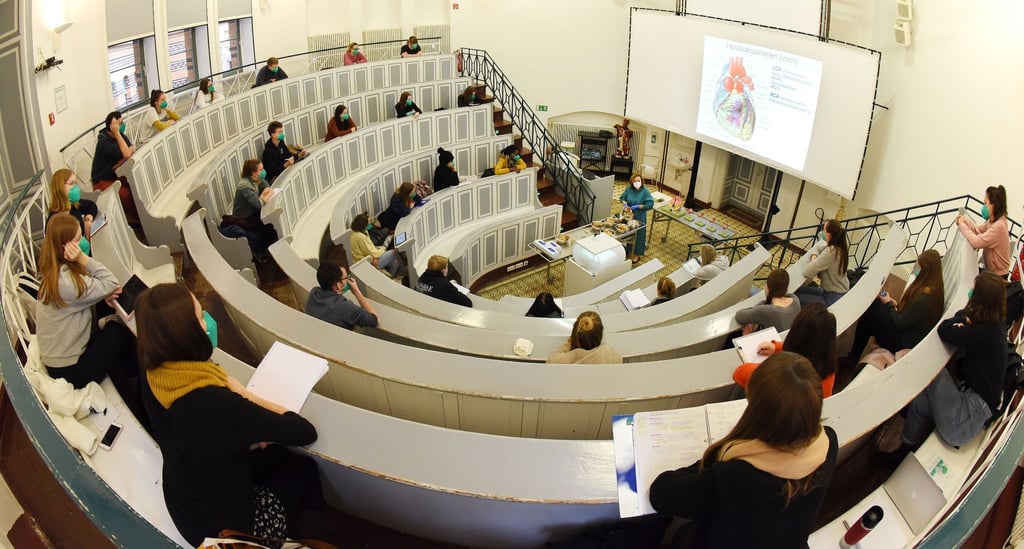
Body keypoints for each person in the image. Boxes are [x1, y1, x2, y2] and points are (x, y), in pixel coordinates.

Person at [134, 283, 328, 546]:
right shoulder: (213, 402)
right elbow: (303, 431)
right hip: (225, 529)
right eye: (200, 317)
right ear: (186, 334)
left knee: (273, 456)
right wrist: (244, 395)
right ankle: (304, 533)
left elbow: (207, 433)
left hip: (186, 500)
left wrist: (247, 427)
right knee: (302, 468)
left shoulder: (154, 371)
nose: (206, 324)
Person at [650, 352, 838, 548]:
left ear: (758, 413)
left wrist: (718, 457)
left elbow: (661, 493)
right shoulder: (829, 442)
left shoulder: (737, 476)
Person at [899, 272, 1007, 450]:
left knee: (932, 369)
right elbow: (960, 318)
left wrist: (963, 319)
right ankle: (906, 447)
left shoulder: (984, 333)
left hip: (962, 422)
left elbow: (944, 329)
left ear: (981, 298)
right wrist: (965, 319)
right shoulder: (996, 325)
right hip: (971, 408)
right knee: (920, 403)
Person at [36, 213, 136, 389]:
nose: (83, 241)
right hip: (71, 371)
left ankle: (125, 370)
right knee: (120, 330)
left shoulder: (55, 271)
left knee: (110, 306)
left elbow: (102, 288)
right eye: (78, 238)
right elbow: (111, 282)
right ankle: (134, 378)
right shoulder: (66, 283)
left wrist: (103, 294)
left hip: (63, 354)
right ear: (66, 248)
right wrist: (82, 257)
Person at [849, 249, 945, 361]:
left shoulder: (925, 298)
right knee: (872, 312)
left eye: (919, 267)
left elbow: (899, 322)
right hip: (904, 336)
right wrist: (894, 305)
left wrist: (888, 303)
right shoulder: (933, 293)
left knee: (874, 305)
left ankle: (853, 356)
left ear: (926, 270)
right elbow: (909, 317)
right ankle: (853, 356)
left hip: (901, 344)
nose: (916, 269)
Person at [733, 302, 838, 397]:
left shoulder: (783, 374)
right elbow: (807, 349)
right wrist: (777, 347)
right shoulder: (827, 369)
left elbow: (739, 373)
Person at [91, 111, 140, 224]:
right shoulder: (103, 142)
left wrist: (122, 159)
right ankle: (138, 219)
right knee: (125, 194)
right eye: (119, 123)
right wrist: (117, 133)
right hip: (103, 181)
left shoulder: (120, 135)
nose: (122, 126)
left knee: (135, 182)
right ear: (112, 127)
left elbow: (132, 147)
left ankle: (139, 212)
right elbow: (127, 154)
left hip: (116, 173)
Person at [305, 262, 379, 331]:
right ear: (338, 285)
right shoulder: (346, 307)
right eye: (346, 278)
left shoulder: (314, 292)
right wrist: (356, 291)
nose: (347, 281)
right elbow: (375, 320)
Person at [957, 185, 1011, 276]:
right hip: (991, 271)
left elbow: (977, 242)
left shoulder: (999, 226)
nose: (984, 207)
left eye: (985, 203)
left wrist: (962, 225)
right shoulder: (993, 221)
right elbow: (977, 230)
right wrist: (964, 221)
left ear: (994, 205)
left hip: (998, 277)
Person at [796, 219, 850, 306]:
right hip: (832, 291)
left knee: (794, 298)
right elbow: (817, 248)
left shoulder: (831, 252)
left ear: (828, 235)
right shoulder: (839, 246)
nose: (822, 232)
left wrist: (814, 262)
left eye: (824, 230)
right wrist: (815, 257)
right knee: (797, 290)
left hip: (831, 297)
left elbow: (807, 272)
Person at [48, 169, 99, 253]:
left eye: (75, 183)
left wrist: (88, 219)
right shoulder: (55, 221)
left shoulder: (72, 205)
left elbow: (91, 205)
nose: (75, 187)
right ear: (60, 187)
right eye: (71, 184)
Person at [735, 269, 801, 332]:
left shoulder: (767, 311)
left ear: (767, 287)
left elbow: (739, 315)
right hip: (783, 340)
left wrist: (753, 316)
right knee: (752, 291)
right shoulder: (795, 300)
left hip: (763, 341)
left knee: (751, 290)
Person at [547, 311, 623, 364]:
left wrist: (569, 343)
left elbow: (550, 361)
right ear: (600, 335)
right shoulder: (612, 355)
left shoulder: (564, 359)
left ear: (574, 335)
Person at [349, 213, 404, 278]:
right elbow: (372, 253)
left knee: (395, 263)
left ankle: (389, 279)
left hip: (370, 258)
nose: (370, 224)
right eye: (368, 223)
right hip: (367, 263)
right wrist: (383, 250)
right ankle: (402, 271)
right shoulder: (360, 237)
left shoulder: (358, 233)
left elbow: (370, 249)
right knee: (394, 252)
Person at [620, 173, 654, 264]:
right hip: (628, 214)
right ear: (632, 182)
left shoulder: (645, 192)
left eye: (639, 181)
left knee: (638, 235)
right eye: (635, 181)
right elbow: (622, 197)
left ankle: (637, 254)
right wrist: (625, 204)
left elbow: (650, 204)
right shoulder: (629, 189)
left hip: (639, 215)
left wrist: (639, 206)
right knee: (627, 233)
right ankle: (627, 248)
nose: (637, 182)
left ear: (641, 181)